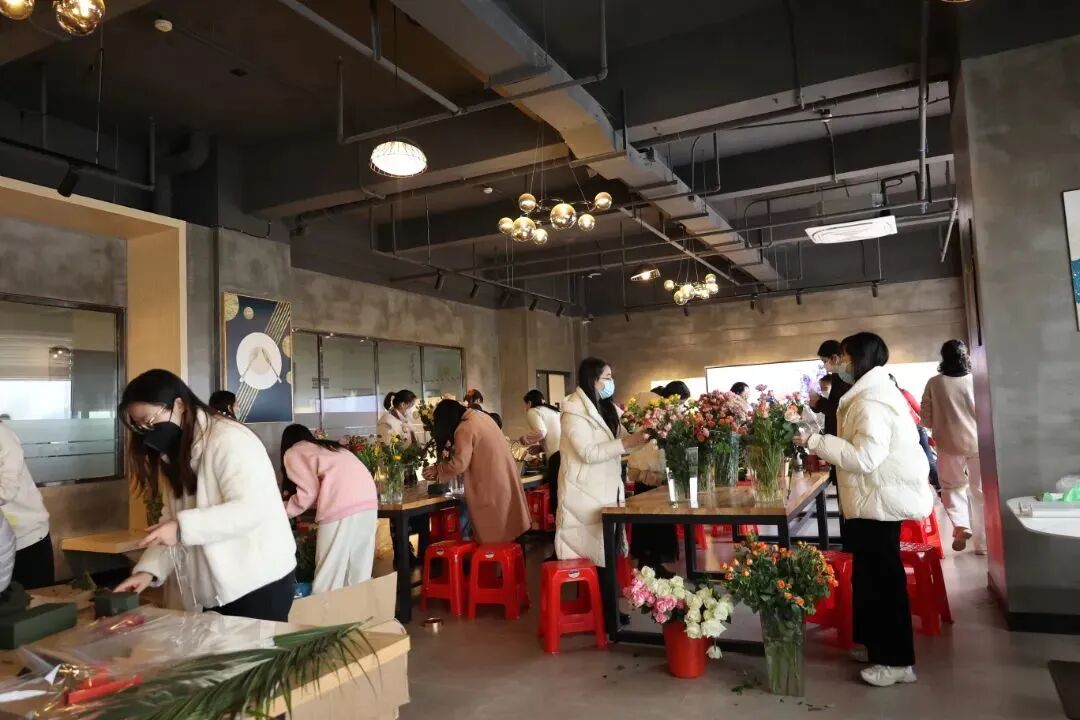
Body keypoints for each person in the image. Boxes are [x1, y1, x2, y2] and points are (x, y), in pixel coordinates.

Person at [794, 333, 933, 688]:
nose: (839, 363)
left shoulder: (872, 400)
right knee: (869, 577)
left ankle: (897, 661)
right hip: (868, 500)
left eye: (843, 357)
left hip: (878, 502)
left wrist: (815, 441)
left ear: (860, 359)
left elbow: (864, 458)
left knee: (885, 582)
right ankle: (875, 646)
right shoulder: (865, 394)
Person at [114, 370, 296, 622]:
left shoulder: (229, 439)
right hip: (216, 589)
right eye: (140, 426)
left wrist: (181, 528)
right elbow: (171, 520)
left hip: (258, 582)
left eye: (150, 420)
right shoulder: (177, 450)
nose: (148, 431)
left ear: (179, 405)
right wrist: (148, 571)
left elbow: (252, 509)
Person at [556, 357, 649, 621]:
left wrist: (647, 434)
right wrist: (627, 443)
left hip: (608, 492)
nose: (611, 382)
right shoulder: (573, 410)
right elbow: (588, 452)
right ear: (593, 379)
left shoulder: (608, 409)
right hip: (584, 494)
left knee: (607, 555)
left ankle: (609, 613)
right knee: (599, 556)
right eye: (607, 378)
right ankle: (607, 617)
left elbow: (625, 440)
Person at [281, 425, 378, 593]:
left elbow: (308, 492)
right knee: (360, 570)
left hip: (340, 504)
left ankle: (323, 610)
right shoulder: (331, 447)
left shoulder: (294, 451)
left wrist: (281, 511)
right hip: (368, 501)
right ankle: (358, 608)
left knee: (329, 573)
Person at [424, 400, 529, 544]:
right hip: (504, 477)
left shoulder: (464, 428)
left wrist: (438, 470)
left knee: (494, 535)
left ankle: (490, 557)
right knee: (509, 530)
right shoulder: (481, 417)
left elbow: (460, 464)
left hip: (490, 484)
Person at [921, 340, 981, 553]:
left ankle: (961, 524)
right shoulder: (976, 380)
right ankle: (983, 545)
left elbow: (926, 419)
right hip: (978, 442)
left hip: (948, 444)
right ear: (966, 356)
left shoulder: (934, 383)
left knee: (952, 487)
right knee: (980, 492)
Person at [625, 385, 677, 576]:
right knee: (656, 519)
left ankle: (648, 562)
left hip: (644, 473)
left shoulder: (644, 405)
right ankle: (652, 563)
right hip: (652, 473)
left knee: (647, 520)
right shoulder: (655, 408)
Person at [0, 420, 52, 590]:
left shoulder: (3, 435)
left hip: (26, 537)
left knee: (33, 601)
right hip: (4, 542)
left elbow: (6, 489)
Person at [890, 374, 939, 491]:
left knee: (928, 459)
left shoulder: (904, 393)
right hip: (901, 432)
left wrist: (930, 427)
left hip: (917, 428)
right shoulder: (884, 399)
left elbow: (919, 410)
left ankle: (938, 485)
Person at [520, 390, 562, 513]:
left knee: (556, 496)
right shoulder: (554, 411)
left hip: (556, 458)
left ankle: (558, 522)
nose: (525, 408)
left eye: (525, 404)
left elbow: (541, 432)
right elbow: (554, 435)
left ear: (529, 403)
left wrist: (524, 439)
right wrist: (541, 448)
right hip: (565, 453)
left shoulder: (533, 411)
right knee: (563, 494)